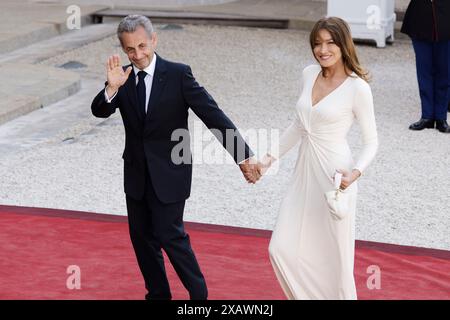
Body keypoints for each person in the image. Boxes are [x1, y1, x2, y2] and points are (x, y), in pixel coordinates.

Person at [91, 15, 261, 300]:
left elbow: (213, 115)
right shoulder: (122, 78)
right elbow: (100, 110)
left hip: (170, 173)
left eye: (143, 46)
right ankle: (157, 295)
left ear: (154, 40)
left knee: (171, 236)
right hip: (136, 175)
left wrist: (243, 156)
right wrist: (111, 88)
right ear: (123, 49)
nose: (138, 54)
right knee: (142, 240)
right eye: (130, 49)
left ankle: (199, 296)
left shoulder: (179, 74)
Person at [258, 17, 378, 299]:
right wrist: (267, 159)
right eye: (317, 43)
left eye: (330, 43)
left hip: (336, 178)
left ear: (343, 44)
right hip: (304, 172)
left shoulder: (357, 87)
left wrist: (355, 173)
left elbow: (372, 142)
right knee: (281, 248)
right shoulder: (309, 73)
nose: (322, 50)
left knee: (335, 259)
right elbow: (300, 125)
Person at [401, 0, 450, 133]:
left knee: (445, 73)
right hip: (420, 18)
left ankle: (441, 118)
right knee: (424, 72)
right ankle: (427, 116)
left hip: (446, 18)